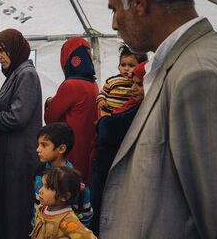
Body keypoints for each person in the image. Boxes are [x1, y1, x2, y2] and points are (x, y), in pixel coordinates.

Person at [102, 0, 217, 238]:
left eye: (114, 9)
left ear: (138, 0)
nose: (114, 23)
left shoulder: (197, 75)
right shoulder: (188, 63)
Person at [0, 28, 42, 238]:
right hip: (10, 154)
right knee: (8, 207)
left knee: (16, 210)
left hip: (19, 156)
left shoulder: (26, 74)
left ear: (14, 49)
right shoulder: (15, 73)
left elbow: (17, 116)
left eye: (2, 50)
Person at [91, 61, 146, 235]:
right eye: (133, 83)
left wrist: (102, 122)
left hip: (114, 173)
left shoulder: (141, 108)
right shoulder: (130, 103)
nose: (133, 88)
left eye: (139, 84)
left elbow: (109, 130)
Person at [44, 37, 99, 184]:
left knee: (66, 187)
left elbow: (51, 118)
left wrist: (48, 102)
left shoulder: (70, 85)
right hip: (88, 146)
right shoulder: (93, 84)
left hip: (71, 148)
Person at [33, 123, 93, 227]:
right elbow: (36, 205)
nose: (38, 149)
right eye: (38, 144)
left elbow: (85, 213)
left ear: (61, 149)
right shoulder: (39, 171)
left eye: (44, 145)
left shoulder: (74, 180)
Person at [31, 167, 96, 239]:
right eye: (42, 185)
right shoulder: (41, 208)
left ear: (64, 196)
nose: (40, 190)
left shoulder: (69, 223)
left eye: (48, 187)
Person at [96, 45, 147, 116]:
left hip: (123, 113)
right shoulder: (113, 80)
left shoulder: (139, 83)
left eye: (131, 65)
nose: (126, 69)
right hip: (107, 111)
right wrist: (101, 100)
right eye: (123, 65)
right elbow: (103, 92)